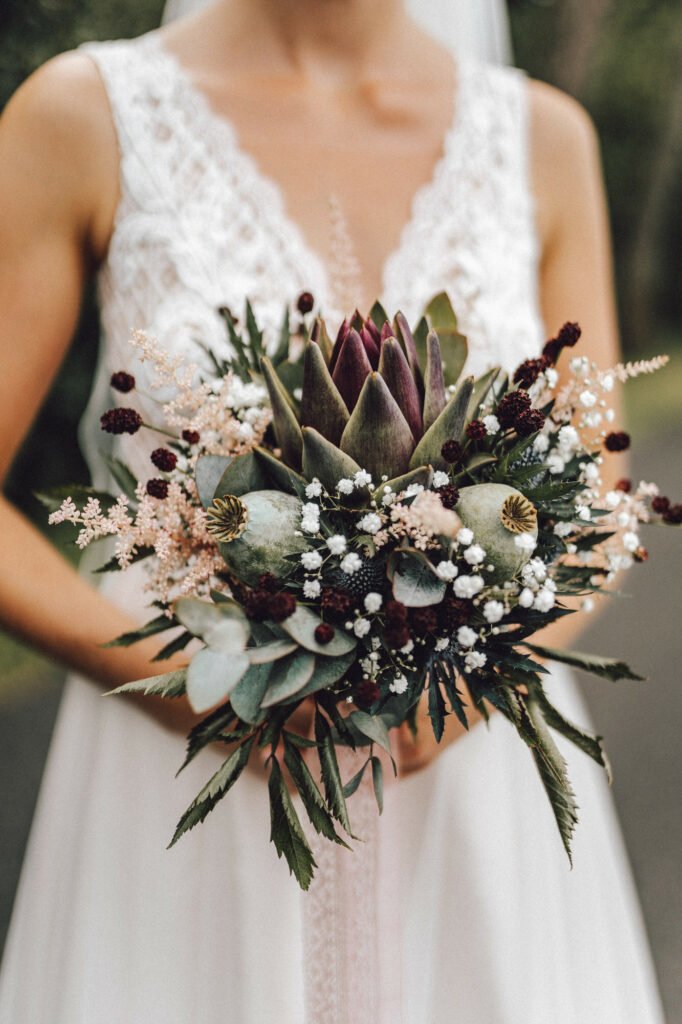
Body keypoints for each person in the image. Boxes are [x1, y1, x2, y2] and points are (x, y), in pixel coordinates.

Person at [0, 1, 665, 1021]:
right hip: (181, 777)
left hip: (468, 784)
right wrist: (200, 689)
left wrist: (473, 680)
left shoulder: (540, 137)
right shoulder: (84, 114)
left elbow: (597, 502)